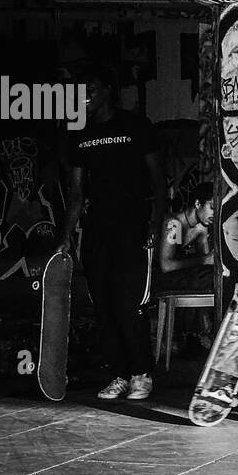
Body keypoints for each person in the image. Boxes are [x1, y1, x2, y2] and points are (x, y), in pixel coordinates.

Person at [55, 66, 166, 400]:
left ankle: (141, 373)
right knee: (103, 304)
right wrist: (66, 235)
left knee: (129, 303)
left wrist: (156, 222)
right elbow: (76, 192)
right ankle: (119, 373)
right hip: (98, 230)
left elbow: (159, 180)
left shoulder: (136, 126)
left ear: (108, 89)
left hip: (133, 227)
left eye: (90, 88)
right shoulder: (80, 134)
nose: (84, 95)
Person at [157, 183, 215, 351]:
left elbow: (205, 261)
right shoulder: (175, 224)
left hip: (183, 274)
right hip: (164, 277)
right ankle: (193, 333)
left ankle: (197, 333)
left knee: (211, 276)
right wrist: (204, 260)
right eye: (212, 207)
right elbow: (166, 265)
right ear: (197, 203)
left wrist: (207, 258)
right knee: (203, 277)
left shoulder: (200, 227)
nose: (214, 213)